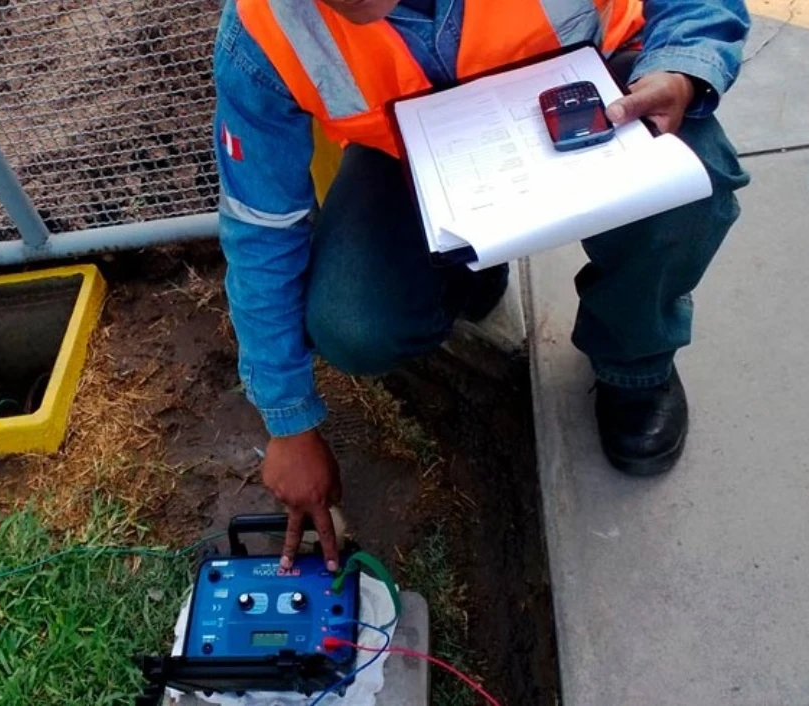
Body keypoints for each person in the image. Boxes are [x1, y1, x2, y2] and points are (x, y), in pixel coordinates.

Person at [212, 0, 751, 570]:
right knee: (354, 321)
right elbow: (260, 227)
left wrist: (682, 67)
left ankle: (634, 360)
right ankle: (468, 278)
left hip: (594, 94)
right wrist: (288, 421)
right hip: (413, 158)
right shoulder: (263, 29)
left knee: (693, 180)